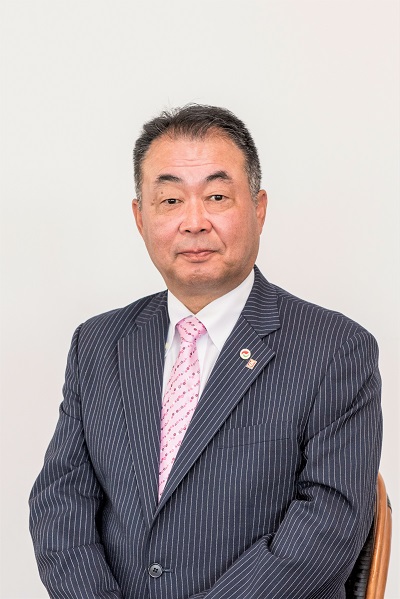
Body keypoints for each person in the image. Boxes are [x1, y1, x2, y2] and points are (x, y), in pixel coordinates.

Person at [29, 105, 382, 599]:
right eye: (170, 200)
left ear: (258, 208)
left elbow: (329, 524)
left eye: (217, 196)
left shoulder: (335, 348)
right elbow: (60, 503)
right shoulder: (98, 344)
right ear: (140, 217)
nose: (194, 222)